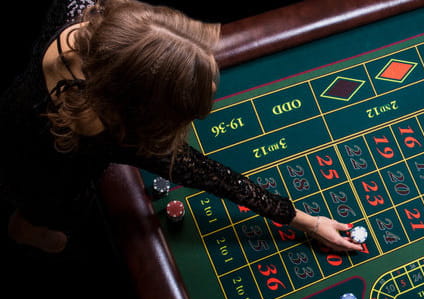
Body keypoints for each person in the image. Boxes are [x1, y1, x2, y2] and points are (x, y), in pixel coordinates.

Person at [1, 0, 362, 254]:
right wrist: (307, 222)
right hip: (43, 169)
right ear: (136, 106)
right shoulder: (102, 133)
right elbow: (209, 175)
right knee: (55, 222)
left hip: (20, 98)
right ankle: (25, 229)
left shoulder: (83, 8)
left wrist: (309, 222)